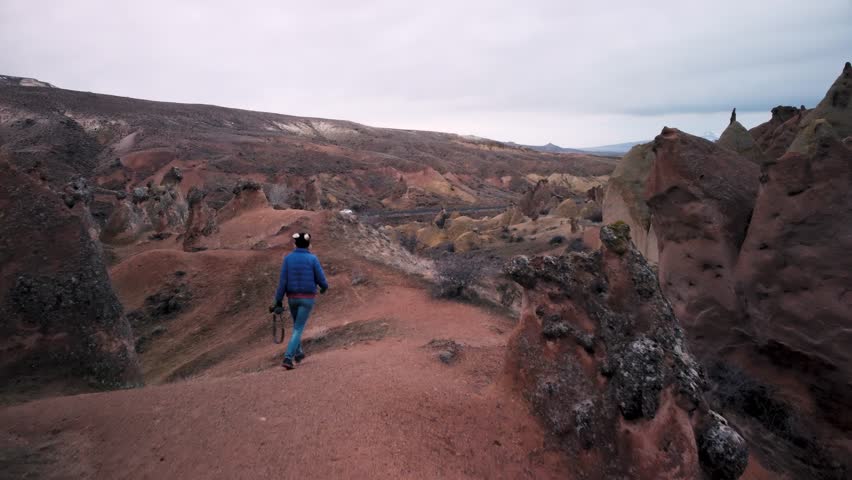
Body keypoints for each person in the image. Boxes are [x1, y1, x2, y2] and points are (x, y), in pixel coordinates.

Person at [271, 232, 328, 369]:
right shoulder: (313, 259)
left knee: (297, 326)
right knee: (298, 328)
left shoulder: (288, 259)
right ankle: (288, 358)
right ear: (309, 244)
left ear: (295, 244)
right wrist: (324, 288)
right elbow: (321, 279)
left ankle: (299, 353)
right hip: (307, 299)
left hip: (292, 298)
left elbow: (282, 282)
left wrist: (278, 300)